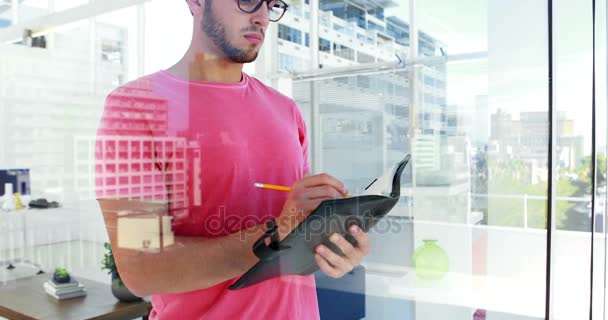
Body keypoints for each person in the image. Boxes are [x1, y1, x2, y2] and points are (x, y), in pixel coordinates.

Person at [95, 0, 371, 318]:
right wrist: (275, 235)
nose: (263, 17)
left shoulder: (286, 111)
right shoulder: (133, 108)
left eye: (274, 4)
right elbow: (141, 268)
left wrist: (334, 246)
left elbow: (301, 233)